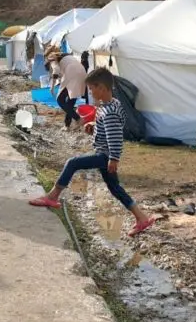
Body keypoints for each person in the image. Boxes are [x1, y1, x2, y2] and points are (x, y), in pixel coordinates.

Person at [29, 68, 155, 237]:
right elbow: (113, 127)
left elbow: (116, 136)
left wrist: (114, 158)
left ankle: (53, 196)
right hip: (106, 153)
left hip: (105, 155)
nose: (90, 92)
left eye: (92, 88)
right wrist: (95, 126)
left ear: (102, 88)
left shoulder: (109, 111)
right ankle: (142, 218)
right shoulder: (111, 104)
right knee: (115, 188)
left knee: (72, 162)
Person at [45, 47, 87, 131]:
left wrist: (52, 86)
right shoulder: (65, 55)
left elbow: (56, 70)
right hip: (82, 72)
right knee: (71, 101)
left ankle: (79, 119)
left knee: (60, 100)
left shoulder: (51, 56)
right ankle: (67, 125)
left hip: (72, 72)